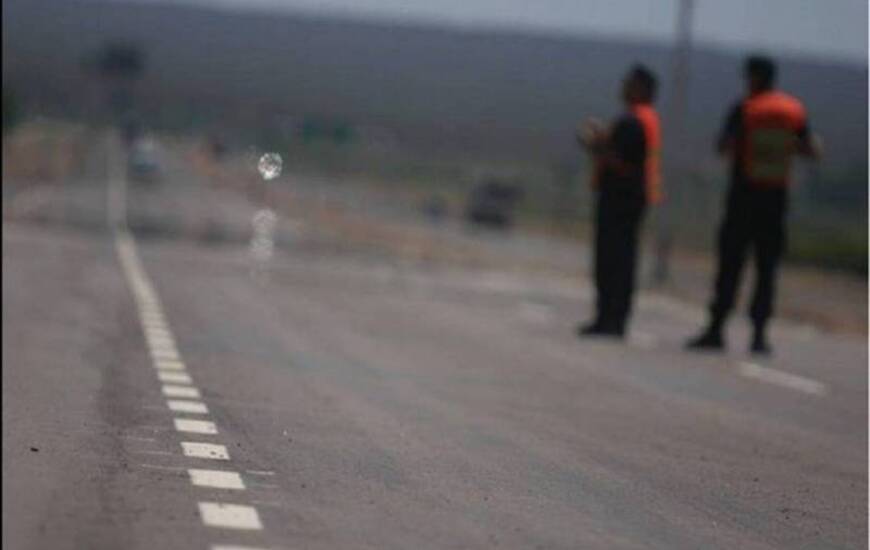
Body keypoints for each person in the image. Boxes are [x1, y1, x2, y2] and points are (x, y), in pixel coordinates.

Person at [687, 55, 822, 355]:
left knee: (730, 268)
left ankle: (716, 329)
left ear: (755, 78)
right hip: (775, 202)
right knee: (766, 271)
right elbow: (811, 149)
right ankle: (759, 335)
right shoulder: (793, 110)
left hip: (743, 199)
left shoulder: (746, 108)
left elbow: (724, 146)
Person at [577, 64, 662, 338]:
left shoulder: (633, 121)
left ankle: (611, 318)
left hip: (621, 200)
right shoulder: (643, 119)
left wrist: (596, 145)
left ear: (642, 89)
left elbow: (621, 161)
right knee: (619, 259)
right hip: (631, 198)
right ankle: (609, 317)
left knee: (614, 260)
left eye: (629, 83)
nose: (623, 87)